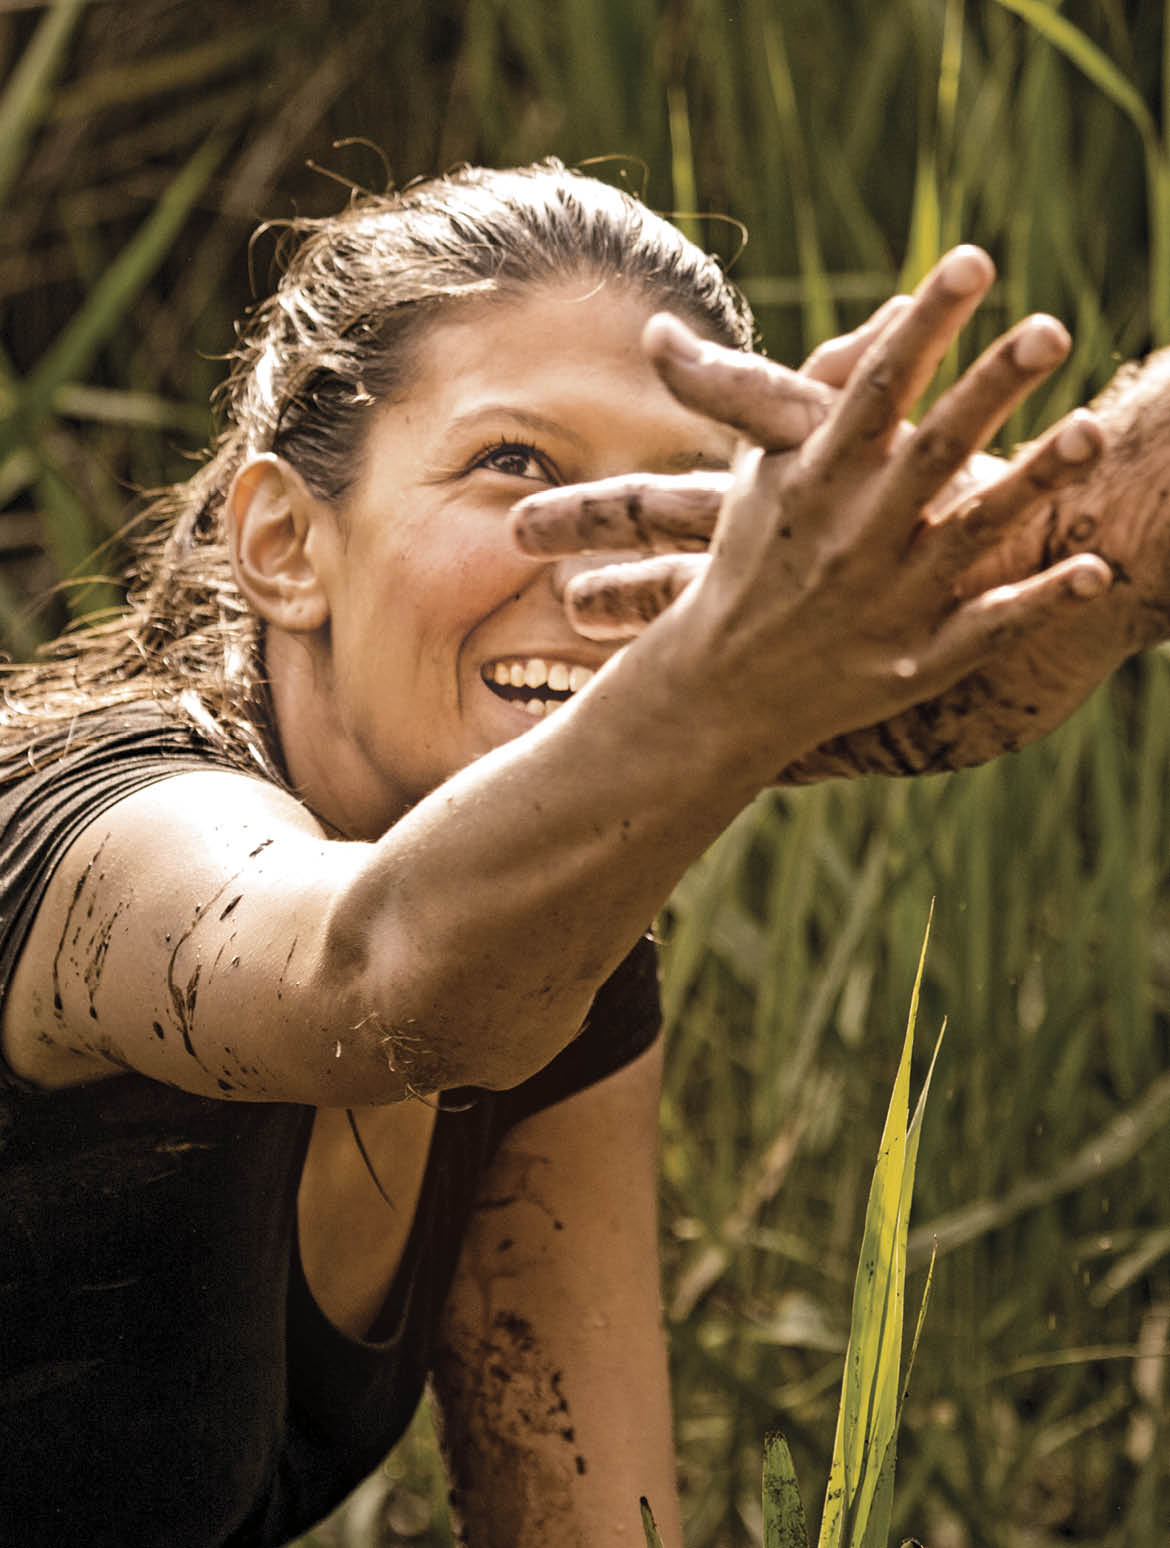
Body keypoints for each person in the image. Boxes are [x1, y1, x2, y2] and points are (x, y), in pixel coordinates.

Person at [0, 159, 1158, 1548]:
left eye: (680, 507)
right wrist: (730, 699)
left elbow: (591, 1519)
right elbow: (359, 973)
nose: (609, 580)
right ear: (286, 544)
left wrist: (1079, 542)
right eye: (519, 468)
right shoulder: (100, 837)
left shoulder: (560, 962)